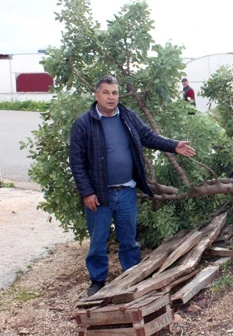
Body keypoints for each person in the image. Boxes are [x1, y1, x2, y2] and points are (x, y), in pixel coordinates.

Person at [69, 75, 196, 297]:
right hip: (99, 195)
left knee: (128, 239)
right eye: (106, 92)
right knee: (98, 242)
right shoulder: (83, 123)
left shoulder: (127, 117)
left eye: (115, 93)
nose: (111, 97)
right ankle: (98, 281)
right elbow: (77, 161)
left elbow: (148, 136)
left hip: (126, 191)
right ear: (96, 95)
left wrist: (174, 145)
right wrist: (86, 192)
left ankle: (132, 276)